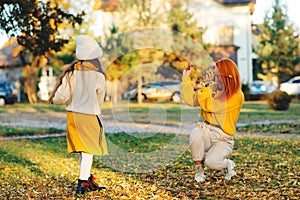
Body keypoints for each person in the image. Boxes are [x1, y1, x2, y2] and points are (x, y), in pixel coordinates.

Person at [48, 35, 108, 194]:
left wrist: (53, 100)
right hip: (89, 115)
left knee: (83, 149)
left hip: (73, 116)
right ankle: (83, 183)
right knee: (88, 149)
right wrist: (96, 109)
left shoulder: (71, 74)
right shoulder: (99, 76)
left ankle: (86, 179)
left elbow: (61, 96)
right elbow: (100, 99)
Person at [181, 58, 244, 182]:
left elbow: (211, 106)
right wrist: (186, 79)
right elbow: (192, 100)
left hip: (223, 137)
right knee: (195, 133)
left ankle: (228, 165)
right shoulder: (212, 87)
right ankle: (199, 171)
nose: (214, 74)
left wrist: (204, 86)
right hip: (207, 130)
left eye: (216, 71)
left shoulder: (237, 95)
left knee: (212, 163)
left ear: (225, 74)